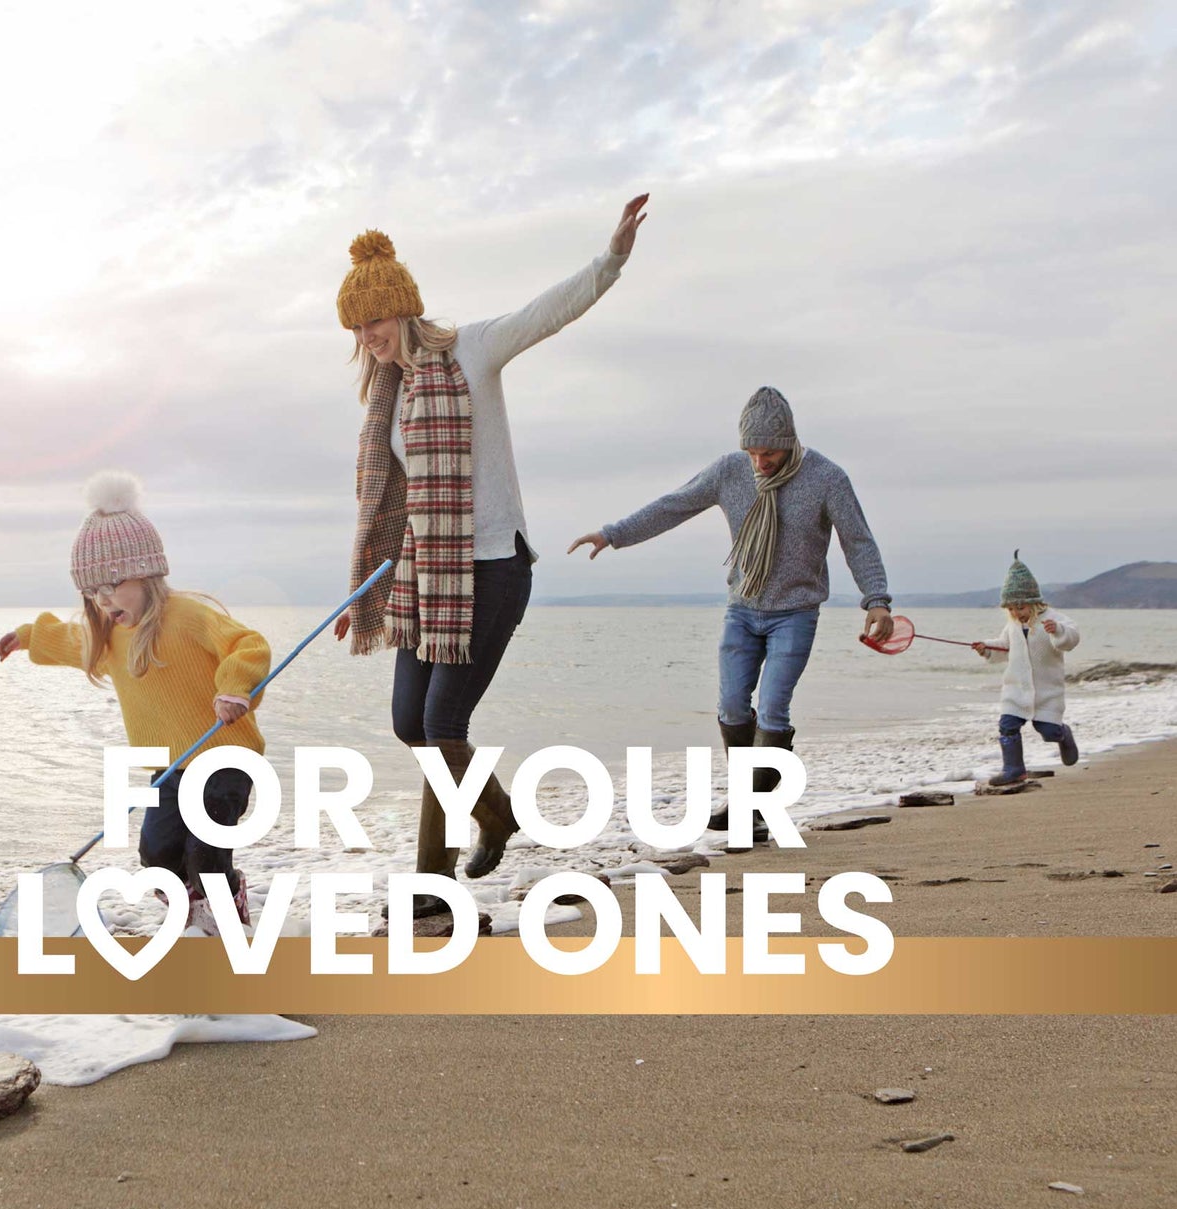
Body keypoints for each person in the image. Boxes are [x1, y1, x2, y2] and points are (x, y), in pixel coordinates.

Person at [332, 194, 648, 910]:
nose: (368, 335)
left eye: (375, 319)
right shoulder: (389, 393)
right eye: (357, 326)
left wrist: (612, 259)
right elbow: (390, 512)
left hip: (494, 568)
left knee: (444, 725)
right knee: (409, 723)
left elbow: (546, 312)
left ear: (405, 309)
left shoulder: (470, 351)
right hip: (424, 577)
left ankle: (442, 872)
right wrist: (365, 595)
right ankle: (487, 822)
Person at [569, 385, 893, 839]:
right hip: (742, 609)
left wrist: (876, 599)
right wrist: (612, 534)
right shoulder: (730, 471)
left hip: (795, 612)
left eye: (770, 453)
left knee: (774, 709)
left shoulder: (827, 478)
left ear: (790, 442)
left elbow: (857, 540)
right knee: (732, 706)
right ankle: (756, 806)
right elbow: (672, 505)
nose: (760, 462)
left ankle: (745, 810)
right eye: (753, 452)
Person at [0, 472, 270, 932]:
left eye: (114, 584)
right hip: (168, 766)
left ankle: (225, 920)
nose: (104, 600)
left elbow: (247, 645)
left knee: (205, 850)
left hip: (225, 756)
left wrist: (235, 688)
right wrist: (28, 637)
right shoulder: (111, 636)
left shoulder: (188, 616)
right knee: (157, 854)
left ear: (147, 574)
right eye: (92, 592)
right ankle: (195, 908)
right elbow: (72, 640)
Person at [972, 551, 1080, 784]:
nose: (1016, 613)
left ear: (1034, 603)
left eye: (1020, 607)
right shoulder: (1012, 625)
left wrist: (1058, 630)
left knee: (1048, 732)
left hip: (1046, 691)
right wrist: (986, 648)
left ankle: (1063, 735)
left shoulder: (1053, 619)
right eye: (1011, 609)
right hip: (1016, 690)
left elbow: (1071, 639)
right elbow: (1005, 647)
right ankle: (1014, 769)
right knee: (1007, 726)